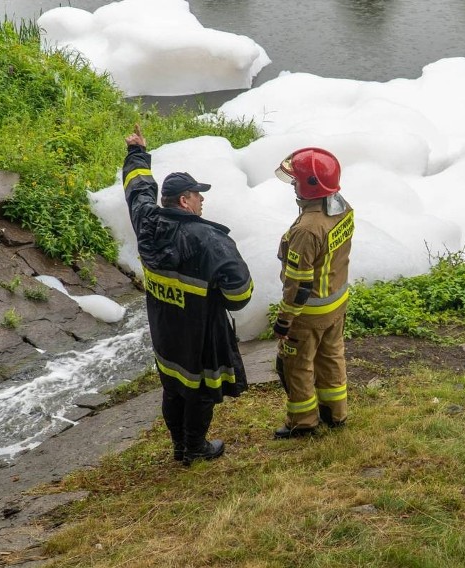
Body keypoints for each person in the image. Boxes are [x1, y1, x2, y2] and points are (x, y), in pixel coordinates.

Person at [123, 123, 254, 465]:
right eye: (198, 194)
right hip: (200, 335)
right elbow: (240, 293)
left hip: (164, 329)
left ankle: (179, 446)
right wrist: (216, 297)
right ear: (185, 200)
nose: (202, 199)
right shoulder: (209, 240)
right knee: (200, 392)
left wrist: (137, 151)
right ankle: (195, 447)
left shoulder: (146, 222)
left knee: (173, 387)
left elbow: (137, 190)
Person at [272, 147, 354, 439]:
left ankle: (303, 422)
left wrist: (284, 320)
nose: (293, 184)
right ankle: (335, 414)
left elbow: (299, 284)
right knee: (331, 357)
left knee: (296, 366)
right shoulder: (342, 209)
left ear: (310, 186)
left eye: (296, 180)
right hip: (335, 305)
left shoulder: (307, 229)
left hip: (308, 313)